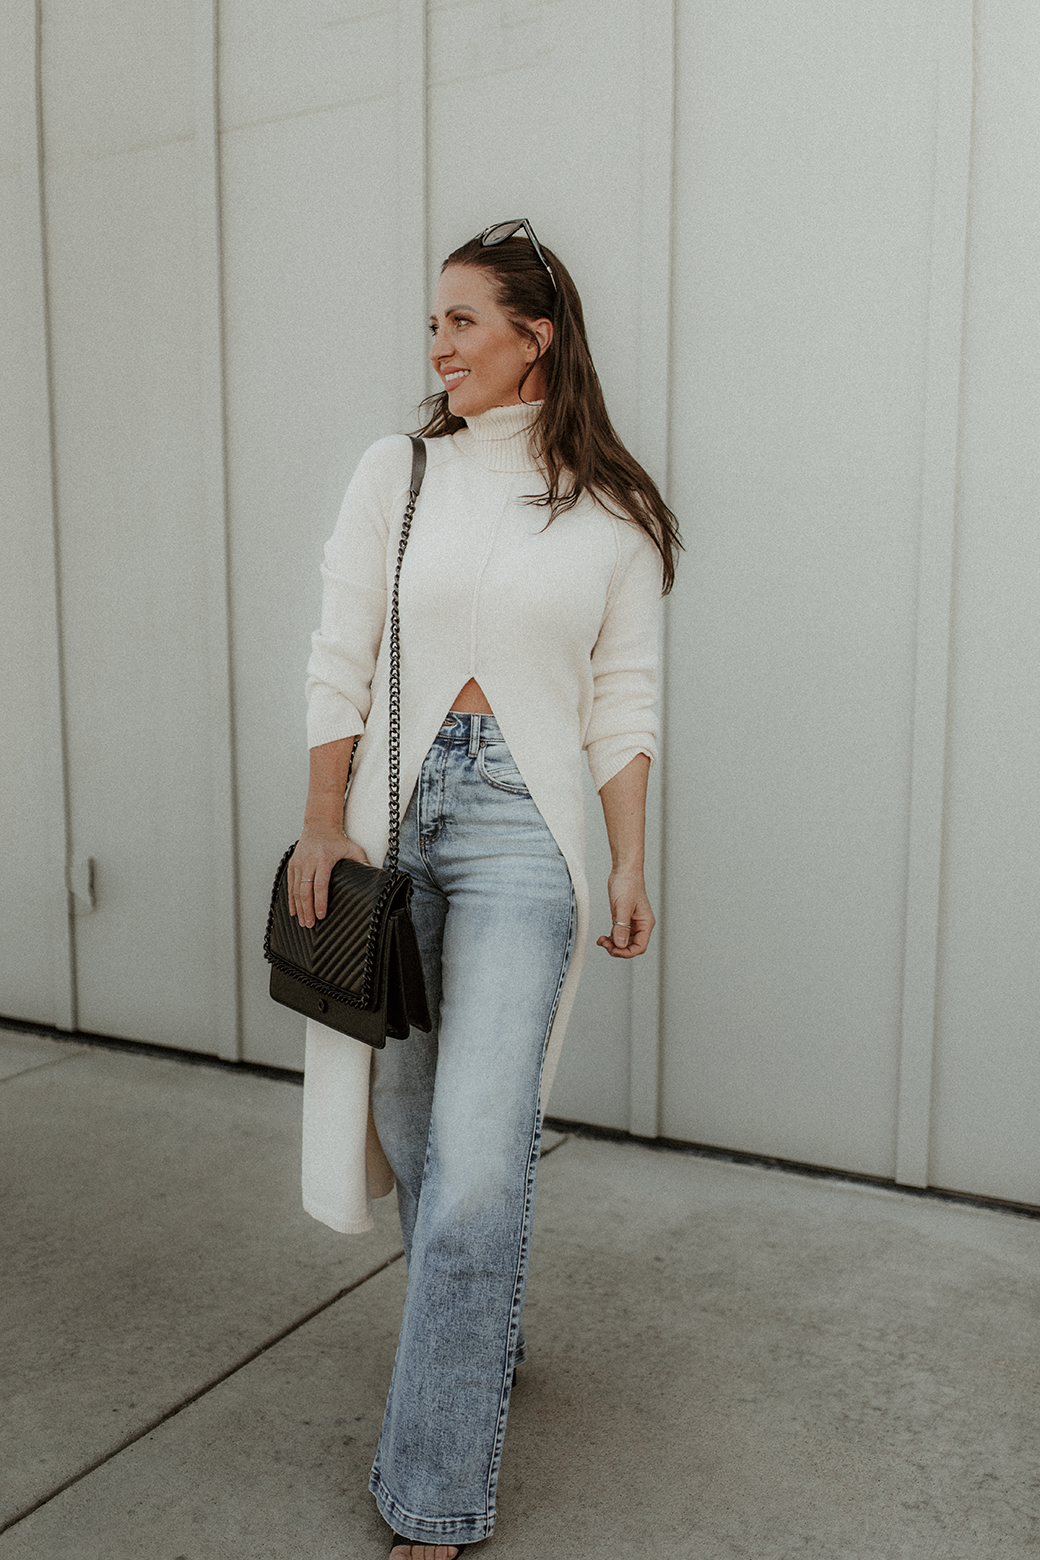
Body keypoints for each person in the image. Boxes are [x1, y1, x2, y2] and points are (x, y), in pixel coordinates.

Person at [287, 219, 681, 1559]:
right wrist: (321, 822)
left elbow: (623, 704)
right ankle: (478, 1333)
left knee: (474, 1163)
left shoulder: (615, 516)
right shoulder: (398, 472)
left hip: (528, 837)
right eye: (433, 324)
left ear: (536, 336)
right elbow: (341, 649)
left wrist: (630, 860)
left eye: (463, 321)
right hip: (393, 832)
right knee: (412, 1137)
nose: (439, 346)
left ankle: (434, 1491)